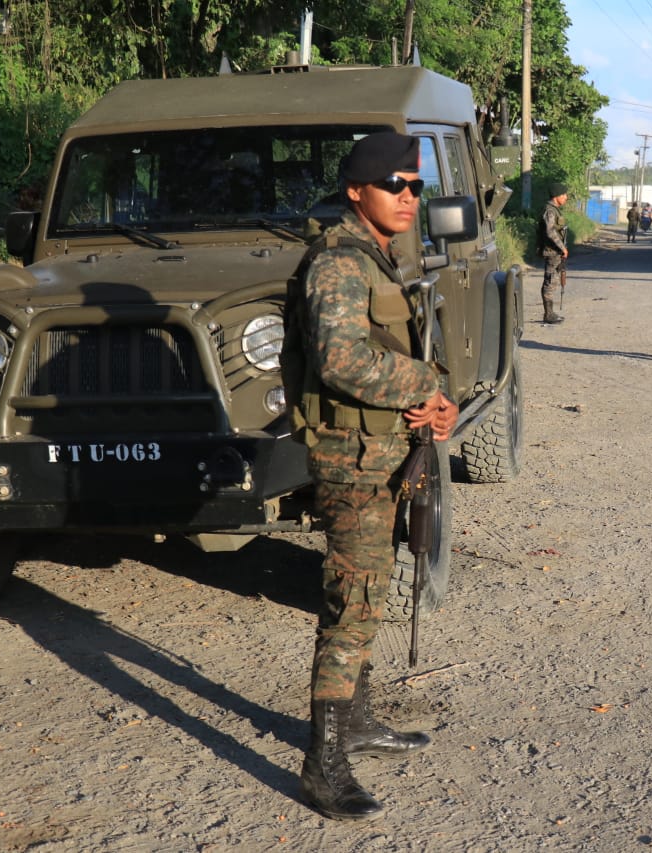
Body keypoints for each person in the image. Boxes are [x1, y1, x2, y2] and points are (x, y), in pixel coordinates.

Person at [288, 131, 459, 821]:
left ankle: (355, 721)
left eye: (415, 186)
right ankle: (323, 764)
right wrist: (426, 383)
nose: (409, 197)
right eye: (395, 185)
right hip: (351, 460)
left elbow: (398, 352)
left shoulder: (381, 256)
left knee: (372, 588)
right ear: (357, 191)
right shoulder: (337, 263)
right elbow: (341, 361)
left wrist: (438, 403)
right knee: (353, 601)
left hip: (386, 451)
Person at [537, 182, 570, 323]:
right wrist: (562, 248)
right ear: (557, 196)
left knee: (553, 281)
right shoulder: (550, 211)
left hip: (555, 251)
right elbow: (550, 232)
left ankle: (550, 313)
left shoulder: (554, 210)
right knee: (550, 282)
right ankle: (548, 314)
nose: (566, 197)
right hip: (552, 251)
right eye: (564, 195)